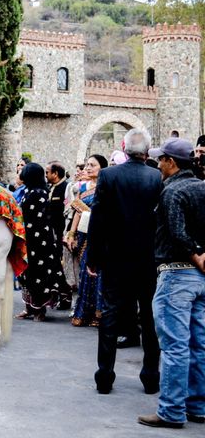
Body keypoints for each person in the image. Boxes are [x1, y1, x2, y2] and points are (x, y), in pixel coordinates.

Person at [86, 130, 162, 395]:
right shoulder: (157, 177)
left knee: (109, 315)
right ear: (147, 150)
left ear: (124, 148)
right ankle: (151, 376)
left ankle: (104, 376)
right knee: (150, 318)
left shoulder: (109, 176)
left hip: (115, 258)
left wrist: (93, 257)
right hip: (149, 260)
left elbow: (98, 219)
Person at [138, 138, 205, 428]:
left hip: (176, 274)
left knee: (175, 345)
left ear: (172, 163)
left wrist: (196, 254)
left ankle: (171, 411)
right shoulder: (202, 187)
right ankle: (198, 405)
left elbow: (177, 231)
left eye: (161, 159)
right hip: (200, 279)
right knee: (199, 344)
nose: (158, 163)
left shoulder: (172, 190)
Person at [15, 163, 67, 322]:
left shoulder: (39, 193)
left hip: (39, 242)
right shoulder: (29, 191)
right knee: (26, 274)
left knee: (38, 274)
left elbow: (38, 219)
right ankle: (29, 307)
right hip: (27, 240)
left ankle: (39, 309)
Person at [65, 154, 108, 327]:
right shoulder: (84, 188)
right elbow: (77, 211)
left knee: (99, 274)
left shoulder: (106, 186)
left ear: (102, 168)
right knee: (84, 272)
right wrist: (71, 234)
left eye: (93, 165)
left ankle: (99, 314)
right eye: (87, 165)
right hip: (84, 236)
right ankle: (84, 313)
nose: (88, 168)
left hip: (100, 235)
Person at [45, 160, 72, 310]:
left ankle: (66, 296)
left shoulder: (66, 187)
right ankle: (58, 294)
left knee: (62, 265)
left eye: (47, 172)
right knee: (54, 265)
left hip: (60, 234)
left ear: (55, 174)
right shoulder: (50, 188)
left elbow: (67, 212)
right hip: (51, 234)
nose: (46, 175)